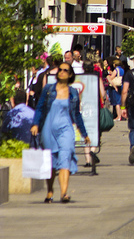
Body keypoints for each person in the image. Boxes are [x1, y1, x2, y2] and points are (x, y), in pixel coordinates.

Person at [31, 62, 90, 203]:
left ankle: (64, 193)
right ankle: (50, 190)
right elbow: (39, 108)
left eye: (65, 70)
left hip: (66, 130)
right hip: (48, 129)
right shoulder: (48, 90)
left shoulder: (73, 92)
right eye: (60, 70)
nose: (62, 72)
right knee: (51, 163)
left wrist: (84, 133)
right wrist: (35, 124)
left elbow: (77, 114)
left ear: (70, 75)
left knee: (65, 156)